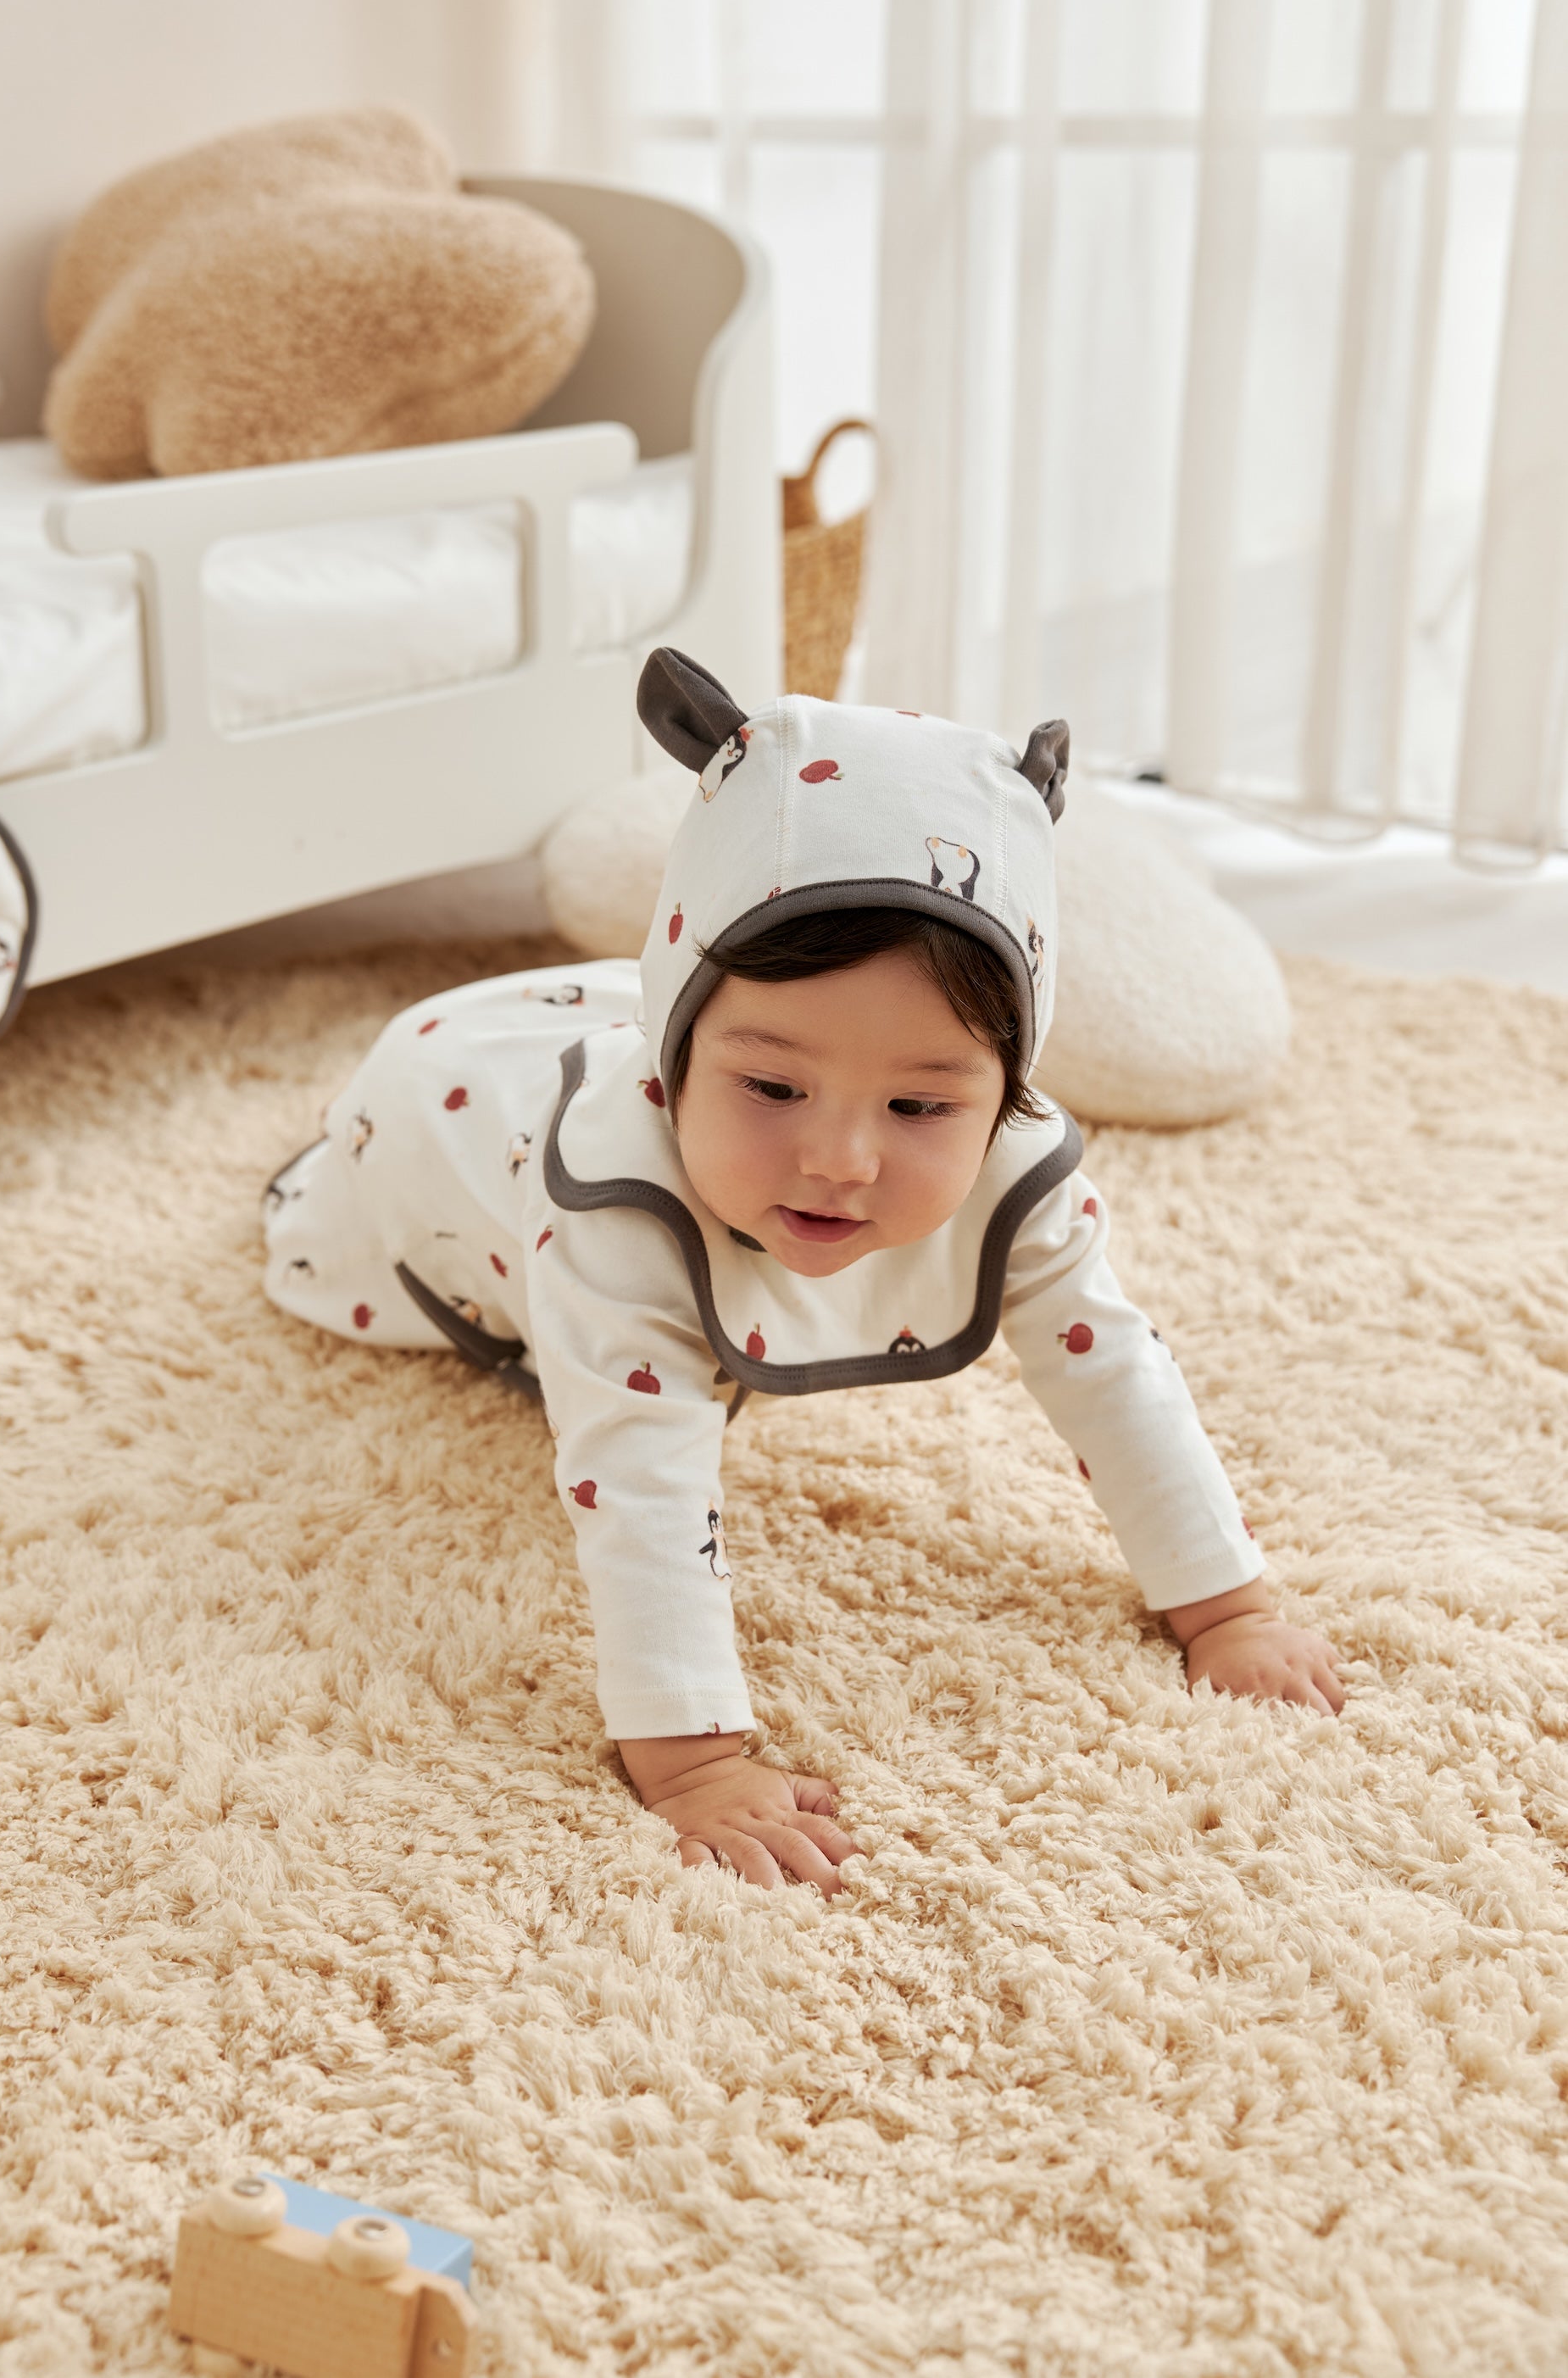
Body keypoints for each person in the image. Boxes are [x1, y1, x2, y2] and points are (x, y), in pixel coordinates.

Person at [263, 649, 1345, 1897]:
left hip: (654, 1017)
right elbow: (639, 1477)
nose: (839, 1160)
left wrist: (1226, 1607)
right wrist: (694, 1762)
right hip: (436, 1125)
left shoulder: (1014, 1166)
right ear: (674, 1060)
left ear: (1004, 1092)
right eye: (771, 1088)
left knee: (825, 1040)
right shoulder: (610, 1197)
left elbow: (1116, 1374)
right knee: (587, 1322)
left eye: (921, 1105)